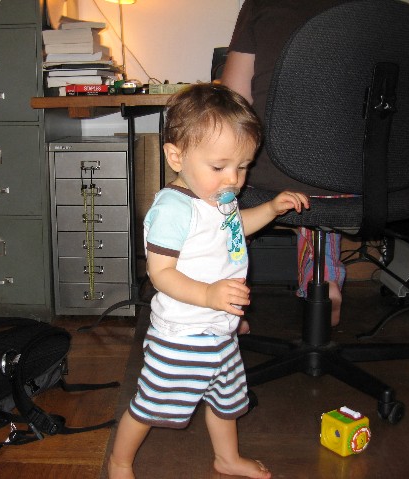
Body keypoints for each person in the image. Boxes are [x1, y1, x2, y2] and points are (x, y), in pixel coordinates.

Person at [107, 83, 309, 479]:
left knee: (225, 400)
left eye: (243, 166)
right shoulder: (173, 209)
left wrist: (270, 209)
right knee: (150, 404)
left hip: (220, 328)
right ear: (176, 156)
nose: (233, 179)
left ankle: (226, 459)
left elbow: (236, 230)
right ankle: (119, 461)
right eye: (219, 167)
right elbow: (161, 273)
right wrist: (208, 294)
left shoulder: (220, 198)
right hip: (182, 335)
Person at [220, 0, 346, 327]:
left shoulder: (262, 4)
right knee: (326, 179)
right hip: (362, 173)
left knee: (221, 193)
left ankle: (227, 297)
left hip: (281, 167)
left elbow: (235, 99)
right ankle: (324, 277)